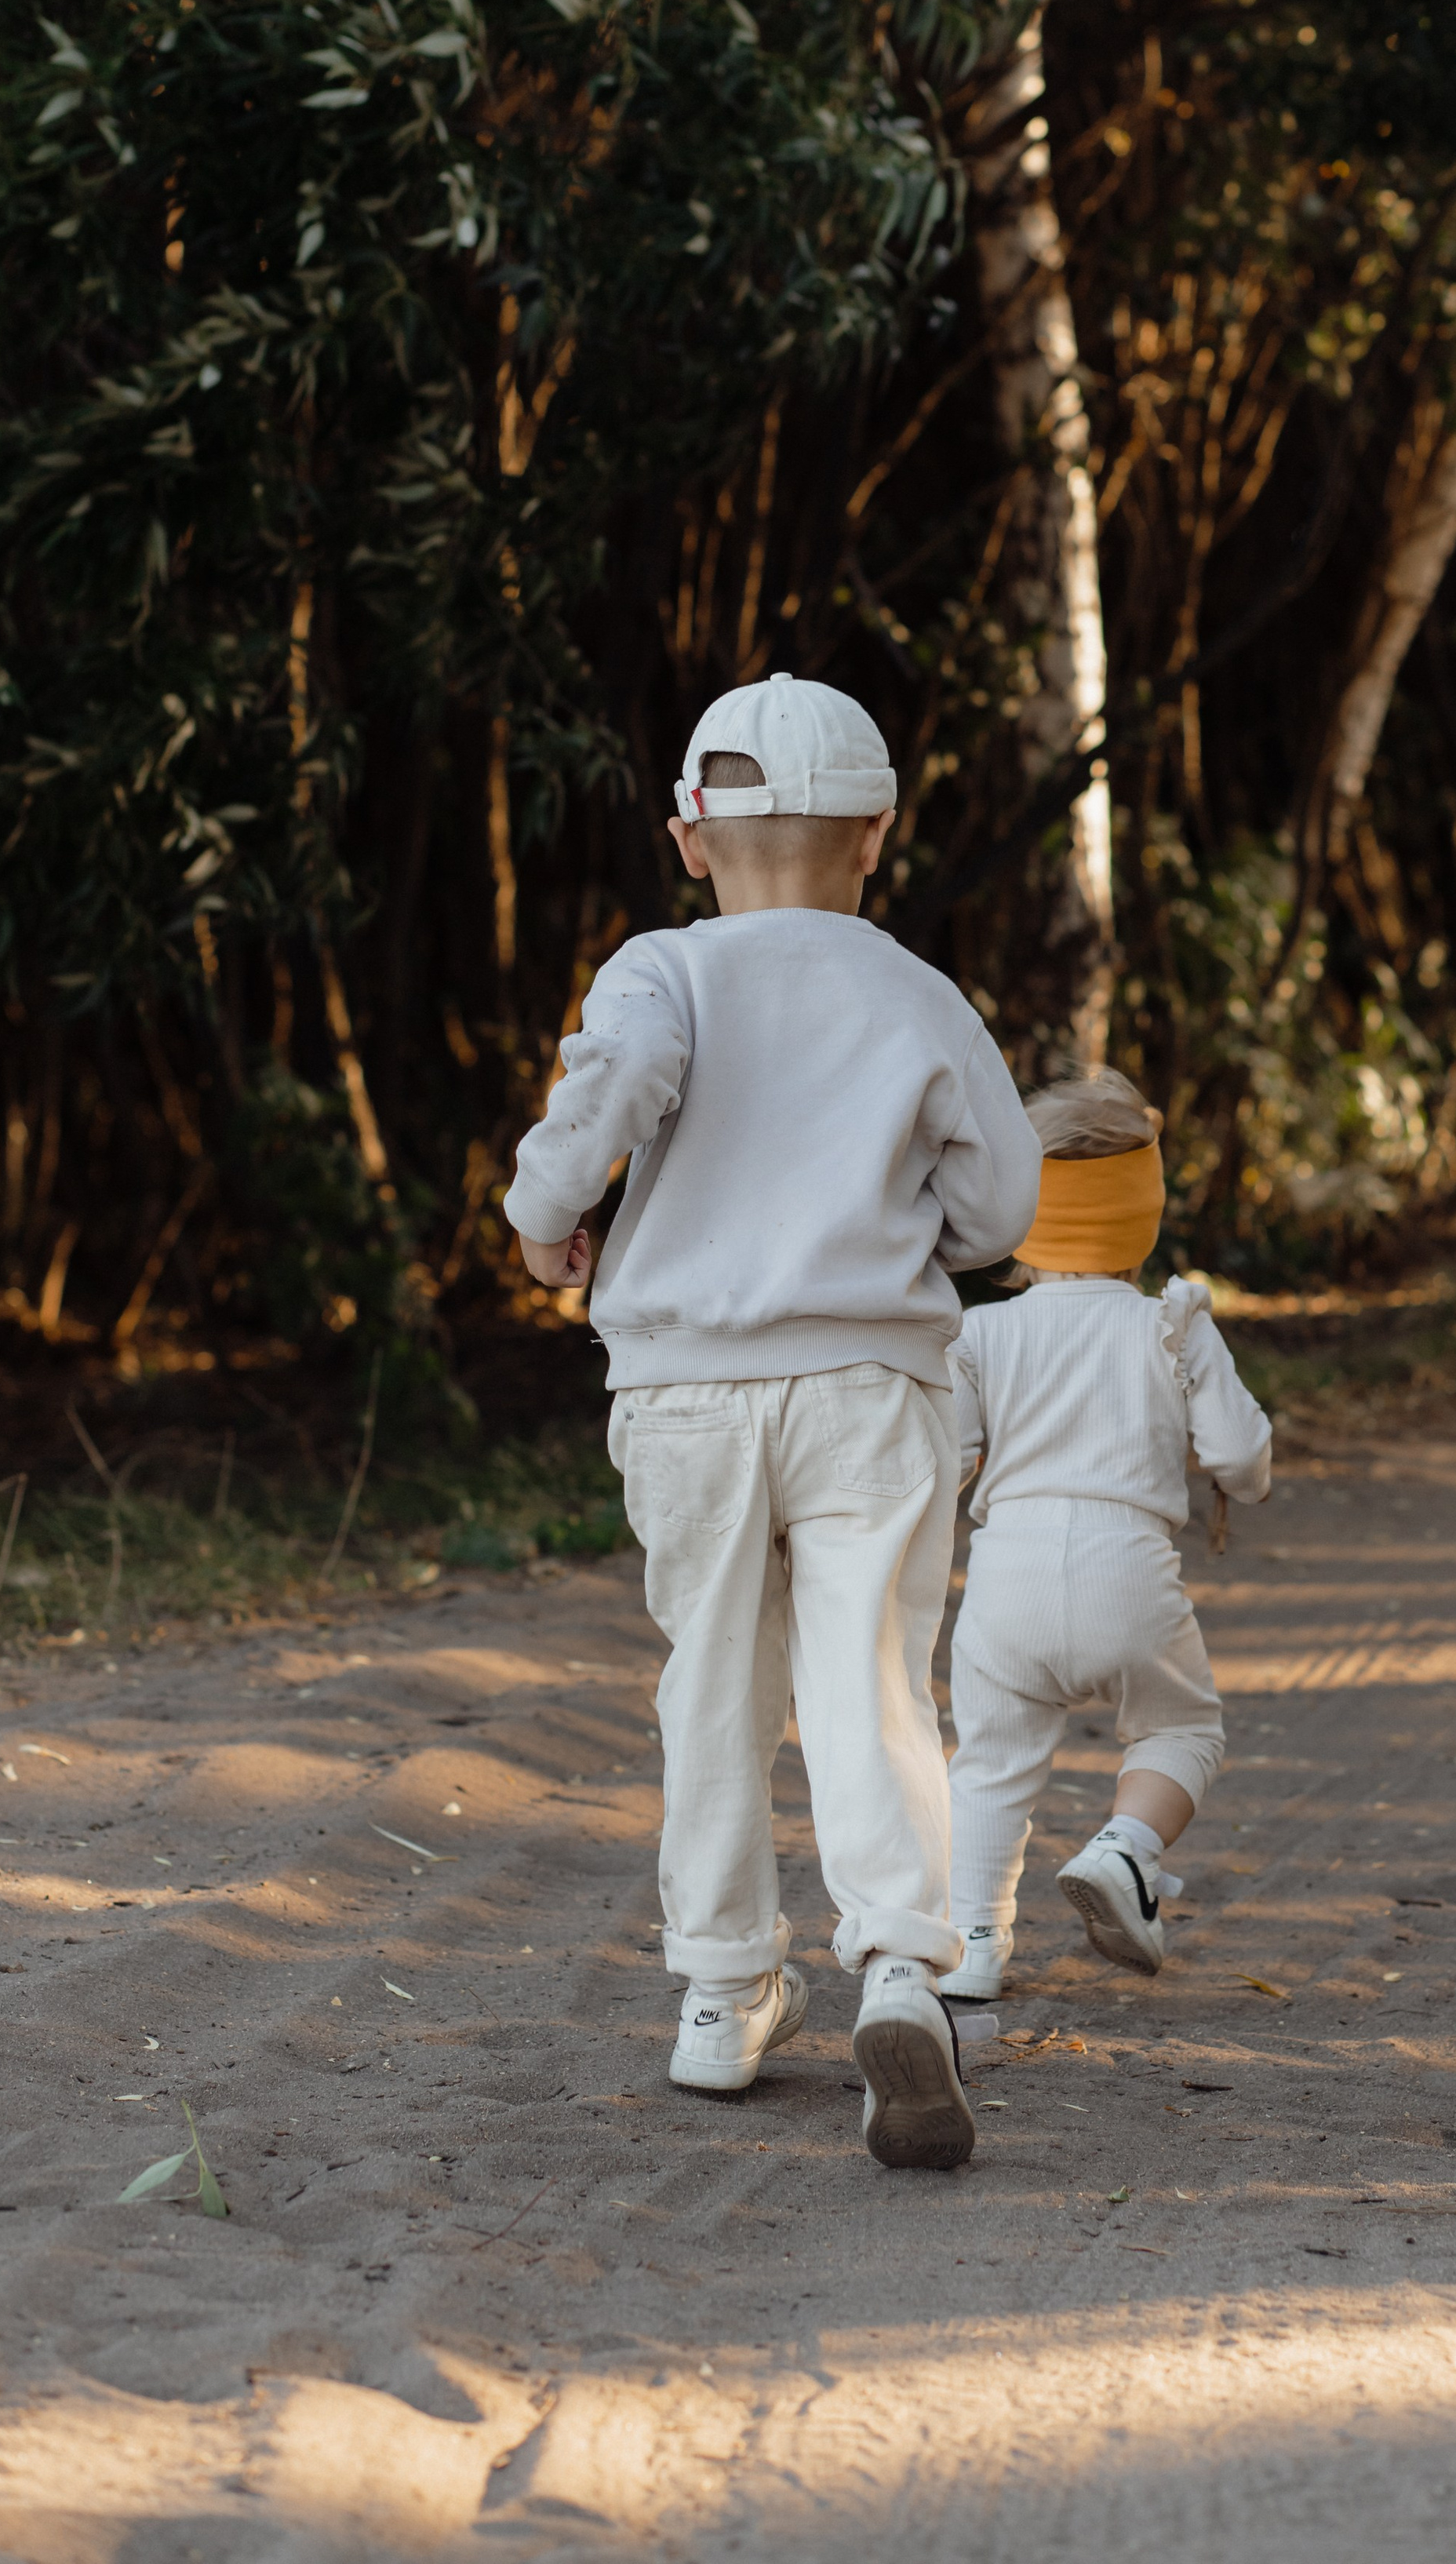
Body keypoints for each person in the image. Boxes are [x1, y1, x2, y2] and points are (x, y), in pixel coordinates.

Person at [503, 676, 1040, 2169]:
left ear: (689, 838)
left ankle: (724, 1993)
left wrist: (546, 1218)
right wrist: (906, 1229)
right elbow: (1002, 1203)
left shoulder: (661, 972)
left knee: (713, 1687)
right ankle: (900, 1973)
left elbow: (611, 1091)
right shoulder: (918, 992)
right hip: (871, 1386)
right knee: (873, 1680)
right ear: (876, 834)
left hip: (685, 1394)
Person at [941, 1067, 1272, 2001]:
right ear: (1141, 1215)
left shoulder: (979, 1335)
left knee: (989, 1768)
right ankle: (1125, 1851)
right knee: (1182, 1728)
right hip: (1130, 1572)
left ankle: (972, 1947)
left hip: (1006, 1578)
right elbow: (1240, 1462)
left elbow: (943, 1462)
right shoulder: (1174, 1326)